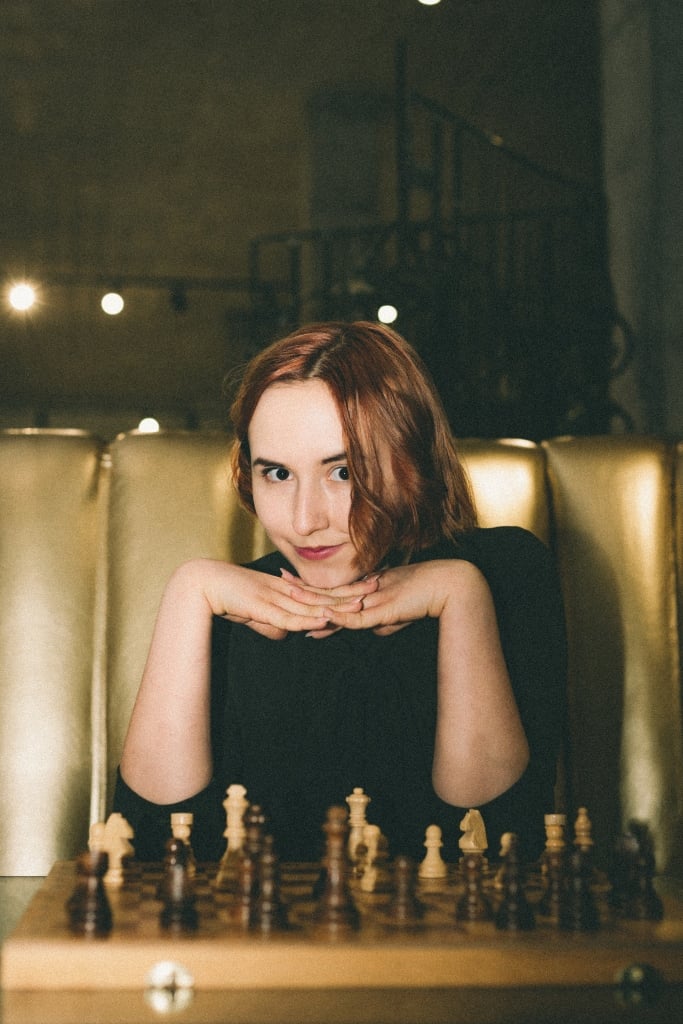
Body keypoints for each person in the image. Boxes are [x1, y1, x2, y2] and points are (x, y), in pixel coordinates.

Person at [114, 321, 567, 863]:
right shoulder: (228, 604)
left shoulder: (506, 572)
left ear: (411, 458)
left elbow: (496, 849)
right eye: (277, 474)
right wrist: (187, 593)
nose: (305, 520)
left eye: (344, 471)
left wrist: (462, 597)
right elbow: (150, 853)